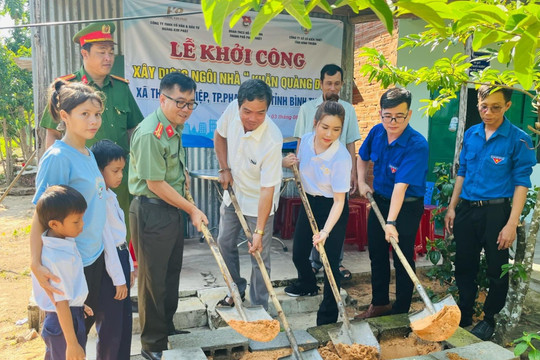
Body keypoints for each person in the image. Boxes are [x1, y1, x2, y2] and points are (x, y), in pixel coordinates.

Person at [444, 84, 536, 340]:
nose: (488, 112)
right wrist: (452, 207)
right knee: (464, 265)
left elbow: (521, 183)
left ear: (508, 106)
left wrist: (511, 223)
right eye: (484, 106)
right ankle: (464, 312)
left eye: (496, 107)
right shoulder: (472, 134)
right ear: (478, 104)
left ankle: (489, 319)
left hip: (496, 213)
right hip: (467, 210)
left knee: (497, 269)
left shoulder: (518, 139)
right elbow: (462, 172)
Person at [40, 21, 143, 241]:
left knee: (118, 235)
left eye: (111, 52)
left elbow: (135, 129)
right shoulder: (67, 88)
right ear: (84, 53)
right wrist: (57, 183)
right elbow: (52, 133)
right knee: (84, 231)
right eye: (102, 52)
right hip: (81, 179)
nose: (108, 58)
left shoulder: (122, 88)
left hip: (117, 180)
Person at [129, 72, 208, 360]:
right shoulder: (152, 132)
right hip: (152, 210)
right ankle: (151, 344)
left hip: (170, 209)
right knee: (153, 280)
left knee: (170, 273)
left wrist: (183, 177)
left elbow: (170, 172)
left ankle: (166, 328)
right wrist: (193, 209)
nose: (185, 109)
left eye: (190, 104)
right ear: (162, 99)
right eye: (180, 102)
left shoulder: (174, 127)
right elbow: (154, 183)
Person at [31, 80, 107, 343]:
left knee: (82, 331)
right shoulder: (58, 157)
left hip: (92, 256)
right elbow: (40, 215)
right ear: (64, 116)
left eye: (97, 114)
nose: (93, 121)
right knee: (66, 339)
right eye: (84, 114)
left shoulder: (87, 152)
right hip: (69, 264)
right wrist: (35, 262)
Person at [356, 88, 428, 319]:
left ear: (409, 114)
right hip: (380, 199)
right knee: (376, 253)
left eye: (399, 115)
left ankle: (402, 309)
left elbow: (401, 186)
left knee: (402, 255)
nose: (393, 121)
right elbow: (362, 156)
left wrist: (391, 222)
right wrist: (361, 182)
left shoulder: (417, 144)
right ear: (380, 114)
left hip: (406, 206)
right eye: (388, 116)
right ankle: (379, 304)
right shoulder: (377, 132)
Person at [214, 79, 283, 310]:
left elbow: (267, 189)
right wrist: (224, 168)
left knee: (258, 254)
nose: (252, 118)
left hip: (259, 201)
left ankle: (259, 306)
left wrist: (259, 231)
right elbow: (219, 135)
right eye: (247, 111)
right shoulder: (231, 111)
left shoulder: (272, 139)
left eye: (260, 113)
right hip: (234, 194)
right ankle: (235, 289)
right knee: (224, 241)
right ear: (238, 105)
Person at [282, 99, 351, 325]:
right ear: (315, 123)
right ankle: (308, 284)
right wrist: (290, 161)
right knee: (299, 254)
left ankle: (327, 319)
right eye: (325, 127)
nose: (329, 134)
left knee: (330, 264)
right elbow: (300, 163)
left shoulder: (341, 157)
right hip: (309, 201)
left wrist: (325, 231)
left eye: (336, 129)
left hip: (333, 208)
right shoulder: (308, 140)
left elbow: (340, 202)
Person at [294, 64, 361, 280]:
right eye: (329, 83)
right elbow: (301, 143)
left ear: (342, 84)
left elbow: (350, 141)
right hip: (313, 181)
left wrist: (353, 172)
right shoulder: (307, 109)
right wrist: (294, 164)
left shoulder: (347, 110)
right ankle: (313, 266)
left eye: (337, 83)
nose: (333, 87)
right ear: (321, 83)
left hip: (335, 175)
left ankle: (333, 264)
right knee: (307, 233)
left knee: (333, 227)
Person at [32, 185, 91, 360]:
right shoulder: (56, 257)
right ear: (54, 224)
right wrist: (72, 344)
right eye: (76, 221)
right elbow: (60, 302)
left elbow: (66, 289)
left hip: (68, 315)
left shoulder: (60, 243)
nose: (82, 225)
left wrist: (78, 302)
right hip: (63, 322)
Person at [91, 139, 135, 360]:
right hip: (110, 268)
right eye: (115, 170)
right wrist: (118, 278)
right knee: (110, 329)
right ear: (99, 170)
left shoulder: (111, 195)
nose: (120, 176)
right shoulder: (99, 199)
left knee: (124, 323)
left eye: (122, 170)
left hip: (121, 259)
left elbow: (121, 239)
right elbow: (107, 241)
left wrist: (129, 269)